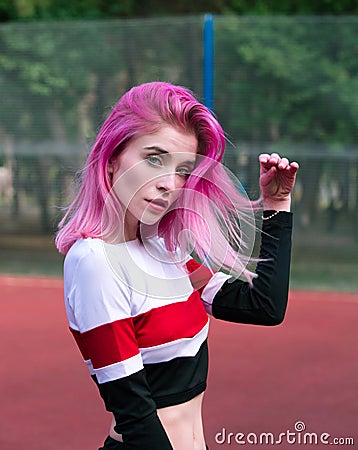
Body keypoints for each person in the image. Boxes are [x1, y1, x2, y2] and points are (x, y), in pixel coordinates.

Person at [55, 81, 299, 450]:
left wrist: (277, 207)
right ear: (111, 159)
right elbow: (135, 416)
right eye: (154, 158)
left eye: (184, 170)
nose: (170, 183)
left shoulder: (163, 251)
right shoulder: (94, 261)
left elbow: (263, 306)